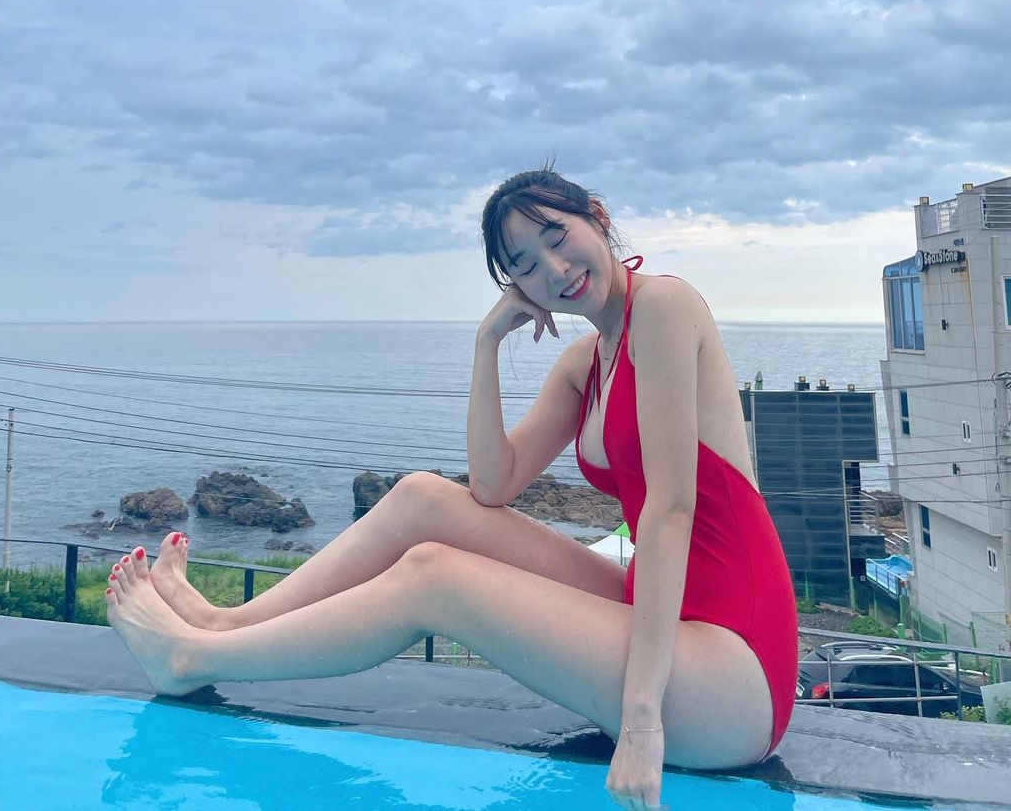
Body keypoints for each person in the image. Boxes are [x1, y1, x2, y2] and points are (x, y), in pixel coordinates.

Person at [105, 166, 797, 810]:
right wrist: (486, 343)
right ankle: (223, 623)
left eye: (558, 237)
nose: (554, 269)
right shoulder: (586, 362)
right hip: (660, 613)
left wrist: (641, 721)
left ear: (598, 217)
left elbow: (671, 510)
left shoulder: (665, 306)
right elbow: (493, 487)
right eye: (525, 264)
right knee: (422, 497)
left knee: (436, 577)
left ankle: (190, 657)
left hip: (734, 669)